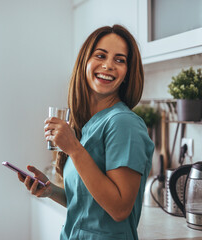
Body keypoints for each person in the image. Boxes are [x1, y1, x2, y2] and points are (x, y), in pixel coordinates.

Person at [17, 24, 154, 240]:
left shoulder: (123, 123)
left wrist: (73, 148)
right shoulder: (89, 125)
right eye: (100, 55)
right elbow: (89, 205)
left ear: (127, 73)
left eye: (120, 60)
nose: (108, 65)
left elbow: (119, 209)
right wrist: (51, 191)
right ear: (85, 62)